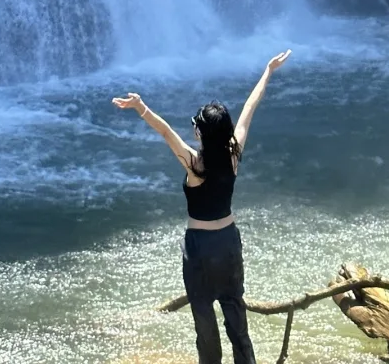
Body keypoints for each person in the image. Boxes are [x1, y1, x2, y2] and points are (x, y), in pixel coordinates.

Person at [112, 50, 291, 364]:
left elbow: (166, 132)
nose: (192, 128)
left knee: (204, 321)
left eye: (195, 125)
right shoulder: (234, 155)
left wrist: (141, 107)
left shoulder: (196, 164)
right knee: (235, 312)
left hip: (200, 249)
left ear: (200, 132)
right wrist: (268, 70)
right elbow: (250, 107)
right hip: (229, 243)